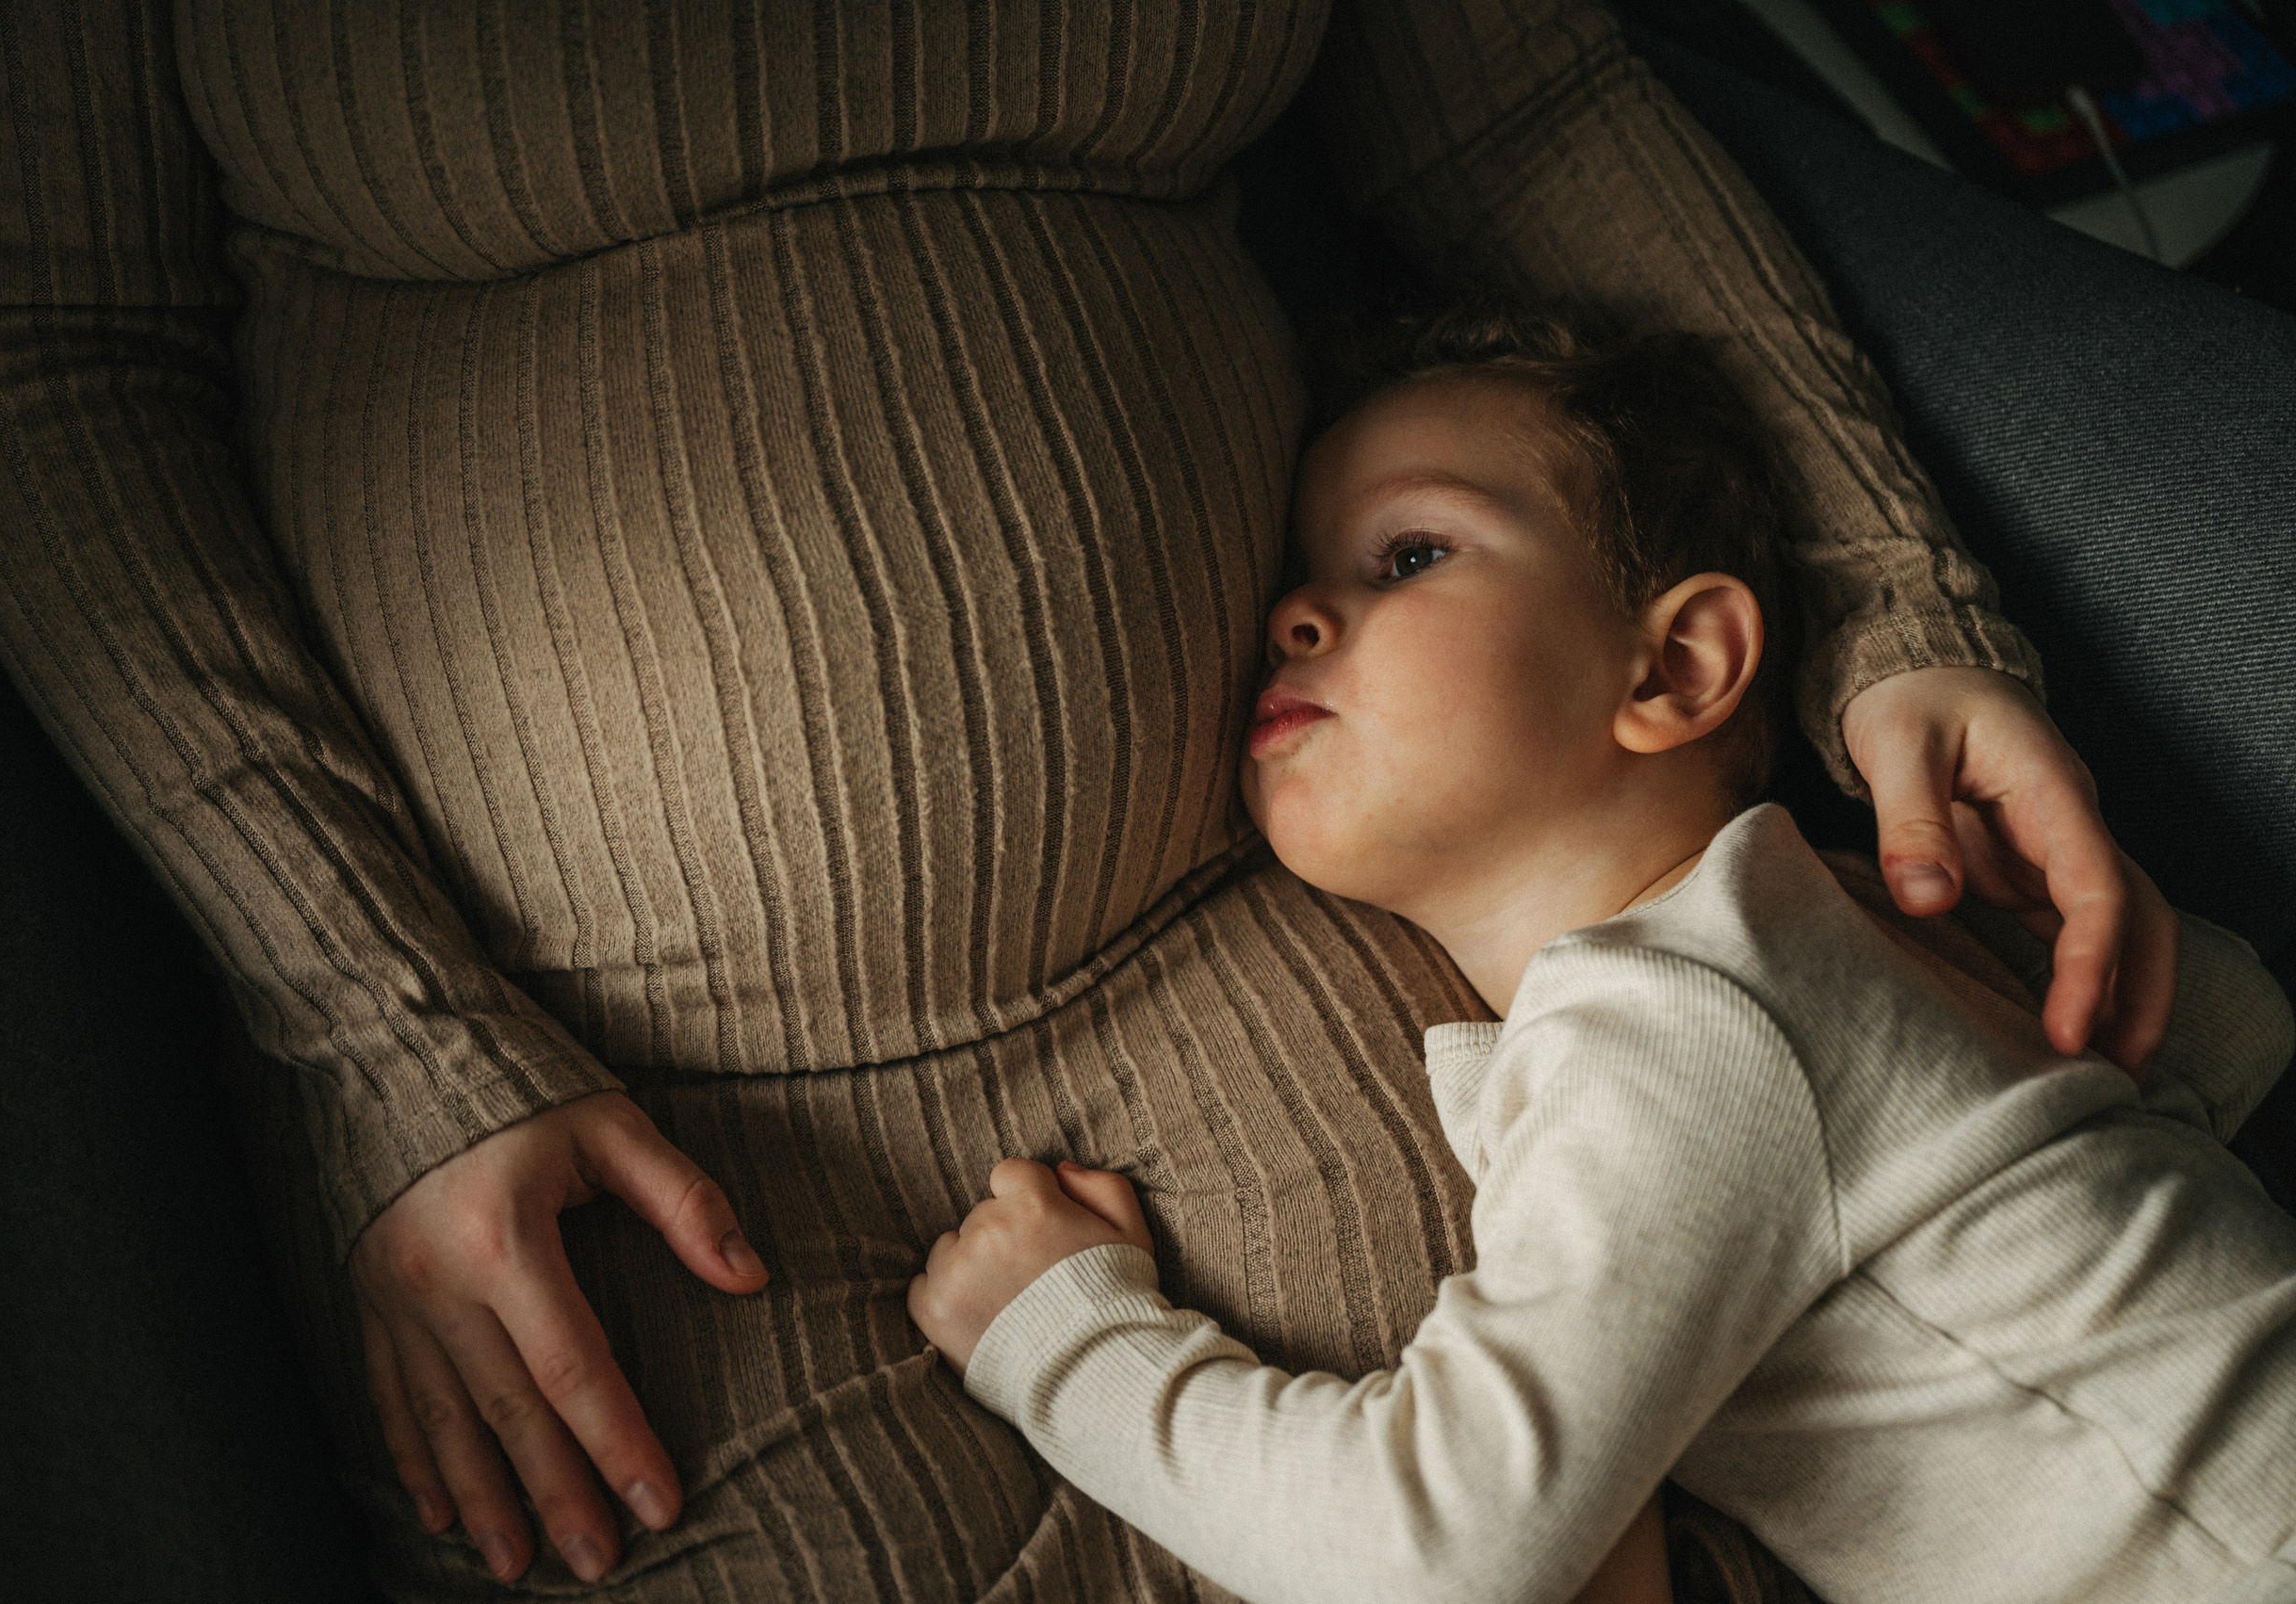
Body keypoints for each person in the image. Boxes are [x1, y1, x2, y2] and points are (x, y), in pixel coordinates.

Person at [0, 2, 2190, 1596]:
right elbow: (30, 326)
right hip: (619, 1124)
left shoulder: (1639, 1046)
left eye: (1376, 567)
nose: (1296, 615)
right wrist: (382, 1026)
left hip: (1297, 961)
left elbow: (1511, 109)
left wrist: (1899, 603)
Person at [905, 304, 2296, 1604]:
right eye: (1302, 577)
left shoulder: (1677, 1017)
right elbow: (2234, 1028)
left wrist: (1063, 1339)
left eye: (1407, 557)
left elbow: (1438, 1555)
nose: (1293, 616)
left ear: (1676, 667)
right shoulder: (1824, 931)